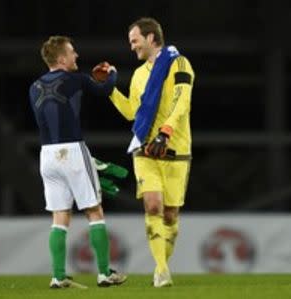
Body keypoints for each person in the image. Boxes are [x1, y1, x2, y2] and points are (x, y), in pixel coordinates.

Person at [28, 35, 127, 289]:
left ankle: (58, 276)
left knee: (60, 217)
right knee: (94, 211)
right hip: (72, 150)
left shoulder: (34, 86)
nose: (76, 56)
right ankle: (105, 273)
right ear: (61, 58)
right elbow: (104, 89)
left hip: (47, 156)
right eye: (72, 53)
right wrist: (113, 73)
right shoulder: (75, 79)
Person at [108, 18, 194, 287]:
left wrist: (166, 130)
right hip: (146, 149)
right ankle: (161, 270)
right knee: (153, 205)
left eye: (135, 40)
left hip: (175, 149)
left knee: (170, 215)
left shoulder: (179, 63)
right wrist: (109, 89)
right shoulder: (137, 75)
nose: (132, 47)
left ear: (151, 38)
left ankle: (162, 265)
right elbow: (133, 113)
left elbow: (183, 100)